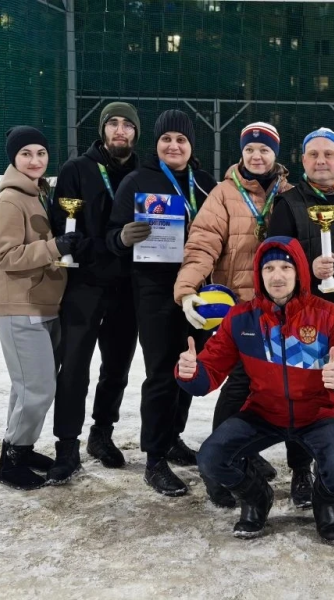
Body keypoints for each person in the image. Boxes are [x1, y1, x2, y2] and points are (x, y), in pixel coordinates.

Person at [177, 237, 334, 545]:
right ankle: (257, 497)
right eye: (269, 268)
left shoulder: (328, 315)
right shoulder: (241, 317)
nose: (277, 275)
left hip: (317, 415)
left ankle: (326, 503)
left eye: (286, 266)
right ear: (259, 273)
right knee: (211, 458)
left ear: (299, 273)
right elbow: (208, 375)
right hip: (263, 414)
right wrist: (190, 372)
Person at [173, 122, 292, 507]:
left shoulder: (288, 192)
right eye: (251, 149)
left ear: (276, 154)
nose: (257, 156)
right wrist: (187, 288)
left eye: (265, 149)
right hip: (241, 312)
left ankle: (245, 452)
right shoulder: (224, 194)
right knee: (238, 386)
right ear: (241, 154)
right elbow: (202, 243)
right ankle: (217, 470)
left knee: (266, 388)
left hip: (281, 310)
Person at [106, 109, 217, 496]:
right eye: (167, 139)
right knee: (161, 373)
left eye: (181, 140)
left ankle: (172, 437)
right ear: (156, 143)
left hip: (199, 291)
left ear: (191, 146)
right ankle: (154, 458)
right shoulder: (138, 181)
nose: (174, 145)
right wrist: (121, 237)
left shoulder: (205, 184)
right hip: (154, 291)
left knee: (190, 366)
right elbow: (109, 237)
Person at [266, 127, 334, 507]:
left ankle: (330, 459)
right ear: (302, 161)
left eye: (329, 154)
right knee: (303, 394)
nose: (321, 161)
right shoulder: (288, 204)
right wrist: (307, 267)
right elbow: (273, 260)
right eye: (313, 155)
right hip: (302, 319)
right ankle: (300, 470)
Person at [47, 102, 141, 484]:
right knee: (73, 370)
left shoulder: (143, 172)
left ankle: (101, 435)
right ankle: (66, 446)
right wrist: (111, 243)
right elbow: (64, 233)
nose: (120, 130)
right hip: (84, 285)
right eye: (113, 124)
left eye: (127, 125)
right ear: (103, 129)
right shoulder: (76, 170)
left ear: (136, 132)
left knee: (116, 368)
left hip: (127, 288)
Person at [0, 127, 82, 490]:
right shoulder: (9, 201)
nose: (35, 160)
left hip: (42, 305)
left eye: (41, 152)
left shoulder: (36, 195)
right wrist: (55, 247)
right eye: (26, 154)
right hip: (19, 307)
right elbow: (6, 257)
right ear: (13, 158)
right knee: (37, 389)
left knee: (25, 388)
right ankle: (10, 464)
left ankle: (18, 450)